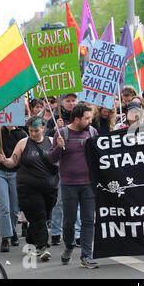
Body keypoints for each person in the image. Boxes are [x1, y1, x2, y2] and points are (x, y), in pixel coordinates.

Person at [0, 117, 58, 262]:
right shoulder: (23, 143)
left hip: (50, 188)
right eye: (30, 130)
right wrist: (5, 161)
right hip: (28, 188)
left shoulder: (51, 141)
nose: (33, 133)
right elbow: (13, 162)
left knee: (44, 215)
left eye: (36, 131)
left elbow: (59, 160)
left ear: (43, 128)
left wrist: (61, 148)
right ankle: (42, 247)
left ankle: (31, 238)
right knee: (39, 216)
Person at [48, 104, 99, 269]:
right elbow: (51, 159)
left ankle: (86, 255)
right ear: (77, 119)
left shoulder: (92, 132)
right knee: (69, 221)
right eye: (87, 118)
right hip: (69, 185)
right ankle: (69, 246)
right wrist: (58, 147)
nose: (90, 120)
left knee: (88, 220)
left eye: (90, 117)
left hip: (88, 184)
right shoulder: (62, 133)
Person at [0, 126, 27, 252]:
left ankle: (12, 230)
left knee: (14, 209)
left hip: (16, 173)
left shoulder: (21, 133)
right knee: (4, 207)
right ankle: (5, 237)